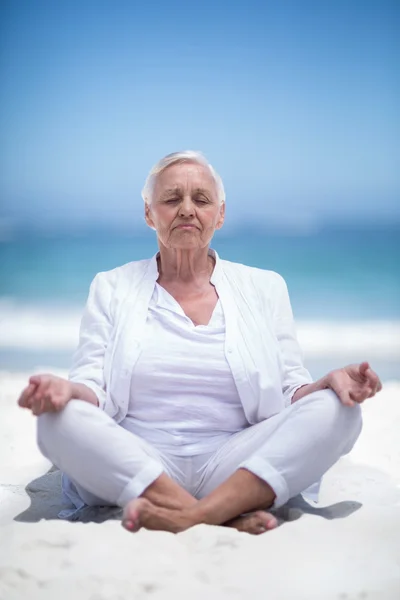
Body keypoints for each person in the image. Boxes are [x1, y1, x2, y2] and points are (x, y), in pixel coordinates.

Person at [18, 151, 382, 535]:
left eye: (201, 200)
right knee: (57, 420)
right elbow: (93, 384)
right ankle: (221, 513)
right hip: (139, 459)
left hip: (237, 461)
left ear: (220, 215)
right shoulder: (111, 286)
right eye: (172, 199)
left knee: (340, 411)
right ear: (149, 213)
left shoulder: (265, 287)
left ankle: (188, 515)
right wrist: (64, 390)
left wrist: (328, 382)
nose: (187, 210)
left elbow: (290, 389)